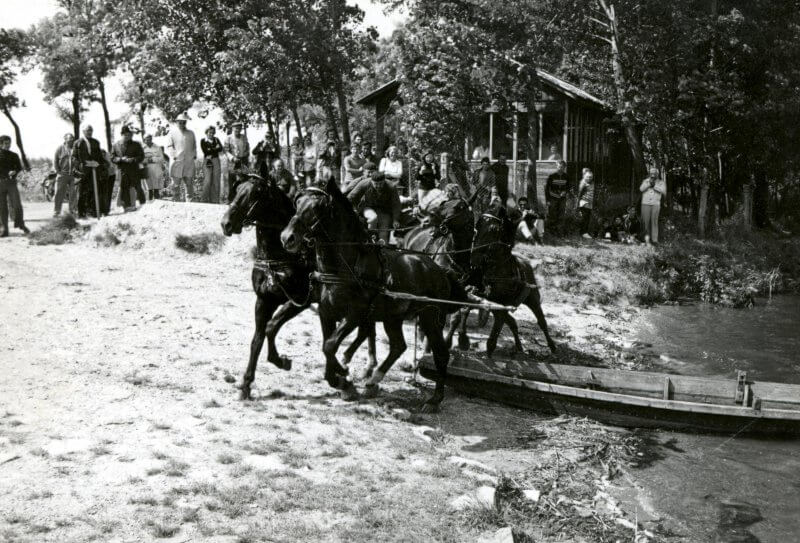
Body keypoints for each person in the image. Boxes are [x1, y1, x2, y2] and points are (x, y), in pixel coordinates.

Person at [347, 171, 401, 243]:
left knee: (384, 235)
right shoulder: (364, 183)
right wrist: (353, 210)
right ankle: (370, 239)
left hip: (384, 211)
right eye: (376, 184)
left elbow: (396, 204)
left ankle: (382, 249)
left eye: (381, 184)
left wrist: (395, 219)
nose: (378, 186)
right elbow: (350, 197)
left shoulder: (391, 186)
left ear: (384, 181)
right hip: (368, 207)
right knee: (373, 218)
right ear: (371, 181)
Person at [72, 124, 107, 217]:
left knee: (93, 191)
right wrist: (78, 168)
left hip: (94, 171)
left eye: (91, 130)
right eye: (87, 130)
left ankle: (93, 212)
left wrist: (100, 164)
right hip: (83, 171)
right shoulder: (78, 143)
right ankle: (81, 213)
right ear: (83, 131)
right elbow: (74, 157)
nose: (89, 132)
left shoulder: (96, 142)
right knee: (81, 192)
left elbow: (99, 156)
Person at [111, 125, 145, 212]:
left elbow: (141, 156)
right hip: (122, 170)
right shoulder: (116, 145)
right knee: (123, 187)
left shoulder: (136, 145)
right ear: (122, 134)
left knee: (135, 187)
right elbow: (112, 157)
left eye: (129, 135)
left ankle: (138, 205)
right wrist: (121, 159)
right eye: (125, 135)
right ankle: (126, 206)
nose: (127, 137)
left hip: (134, 169)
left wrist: (133, 159)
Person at [0, 135, 29, 236]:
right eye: (6, 144)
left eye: (9, 143)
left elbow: (19, 167)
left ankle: (20, 224)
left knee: (17, 205)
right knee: (2, 207)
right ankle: (4, 229)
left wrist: (14, 171)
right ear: (1, 144)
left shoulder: (14, 155)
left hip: (11, 183)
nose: (8, 145)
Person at [166, 113, 197, 202]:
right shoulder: (172, 133)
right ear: (177, 122)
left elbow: (194, 145)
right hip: (177, 162)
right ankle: (176, 202)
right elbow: (169, 146)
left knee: (189, 184)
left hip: (188, 162)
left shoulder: (191, 133)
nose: (182, 124)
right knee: (175, 185)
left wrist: (193, 155)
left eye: (184, 122)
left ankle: (189, 203)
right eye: (180, 122)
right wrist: (174, 155)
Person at [640, 166, 667, 244]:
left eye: (654, 173)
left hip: (656, 204)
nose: (653, 175)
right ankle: (646, 239)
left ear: (657, 174)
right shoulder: (645, 181)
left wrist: (654, 186)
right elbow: (641, 189)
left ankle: (654, 240)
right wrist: (649, 184)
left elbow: (664, 191)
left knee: (654, 221)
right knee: (646, 221)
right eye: (651, 173)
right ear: (649, 174)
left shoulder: (661, 182)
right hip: (645, 203)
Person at [224, 121, 250, 199]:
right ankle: (231, 199)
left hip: (243, 161)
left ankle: (241, 199)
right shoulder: (228, 138)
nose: (237, 130)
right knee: (232, 181)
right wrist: (232, 158)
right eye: (236, 128)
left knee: (243, 180)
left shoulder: (244, 137)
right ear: (232, 128)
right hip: (233, 162)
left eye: (239, 128)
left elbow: (247, 147)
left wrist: (246, 154)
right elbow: (226, 151)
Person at [53, 132, 76, 216]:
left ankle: (72, 211)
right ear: (65, 139)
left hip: (73, 174)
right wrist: (58, 171)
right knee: (59, 193)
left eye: (72, 138)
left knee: (73, 193)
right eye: (70, 138)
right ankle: (56, 211)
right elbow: (55, 160)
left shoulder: (75, 148)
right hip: (62, 174)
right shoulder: (60, 148)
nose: (71, 140)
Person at [200, 125, 224, 203]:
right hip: (207, 160)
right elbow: (205, 151)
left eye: (213, 133)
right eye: (210, 132)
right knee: (207, 180)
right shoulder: (203, 140)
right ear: (206, 132)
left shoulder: (216, 139)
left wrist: (211, 149)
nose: (211, 134)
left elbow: (220, 148)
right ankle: (204, 199)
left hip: (216, 160)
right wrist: (215, 149)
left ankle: (214, 200)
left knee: (216, 180)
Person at [546, 160, 569, 235]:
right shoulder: (552, 176)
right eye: (559, 166)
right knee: (552, 214)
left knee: (561, 215)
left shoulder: (566, 176)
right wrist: (548, 200)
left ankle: (559, 231)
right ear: (557, 166)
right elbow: (547, 189)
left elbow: (568, 186)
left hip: (562, 199)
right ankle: (551, 231)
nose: (560, 168)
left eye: (562, 167)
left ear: (564, 167)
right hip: (553, 198)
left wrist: (565, 191)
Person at [142, 134, 166, 200]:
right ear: (144, 140)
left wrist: (152, 159)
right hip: (147, 168)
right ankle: (149, 202)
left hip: (156, 167)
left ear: (151, 139)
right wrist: (146, 160)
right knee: (148, 186)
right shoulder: (142, 149)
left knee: (156, 187)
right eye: (146, 140)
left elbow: (162, 158)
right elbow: (140, 159)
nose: (148, 141)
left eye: (150, 139)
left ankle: (157, 201)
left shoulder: (157, 147)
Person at [577, 168, 595, 239]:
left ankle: (585, 232)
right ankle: (583, 232)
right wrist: (577, 204)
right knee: (584, 218)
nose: (589, 178)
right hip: (584, 202)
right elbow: (579, 194)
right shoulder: (583, 183)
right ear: (584, 176)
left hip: (589, 203)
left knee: (588, 218)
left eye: (590, 177)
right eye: (587, 177)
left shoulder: (592, 183)